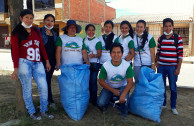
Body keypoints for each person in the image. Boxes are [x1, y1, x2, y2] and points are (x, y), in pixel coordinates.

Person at [11, 9, 54, 120]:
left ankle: (44, 110)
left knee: (44, 87)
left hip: (38, 62)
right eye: (27, 17)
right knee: (27, 88)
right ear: (21, 18)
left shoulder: (36, 30)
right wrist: (15, 68)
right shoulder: (16, 32)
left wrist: (47, 61)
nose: (29, 20)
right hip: (24, 63)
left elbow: (41, 47)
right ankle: (32, 111)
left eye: (31, 18)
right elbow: (15, 52)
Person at [97, 43, 134, 117]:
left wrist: (123, 94)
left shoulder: (127, 66)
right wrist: (113, 91)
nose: (116, 55)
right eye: (114, 52)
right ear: (110, 54)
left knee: (125, 100)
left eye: (118, 52)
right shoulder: (105, 65)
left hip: (122, 86)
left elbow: (130, 82)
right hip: (109, 87)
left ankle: (124, 115)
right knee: (100, 103)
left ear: (122, 54)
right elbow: (101, 81)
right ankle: (111, 101)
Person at [156, 18, 183, 115]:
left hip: (172, 67)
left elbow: (180, 55)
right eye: (166, 26)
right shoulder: (161, 38)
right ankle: (163, 104)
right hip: (161, 67)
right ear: (163, 27)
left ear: (173, 26)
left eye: (169, 26)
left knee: (173, 87)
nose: (167, 28)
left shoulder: (178, 38)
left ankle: (173, 106)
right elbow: (158, 52)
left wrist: (178, 68)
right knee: (161, 87)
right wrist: (156, 62)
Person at [40, 14, 57, 109]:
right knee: (44, 81)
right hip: (42, 62)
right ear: (44, 21)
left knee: (48, 81)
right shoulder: (39, 32)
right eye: (47, 20)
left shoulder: (54, 34)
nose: (49, 22)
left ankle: (47, 100)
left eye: (52, 21)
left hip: (52, 62)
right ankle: (49, 101)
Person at [83, 24, 102, 105]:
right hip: (85, 63)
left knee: (93, 81)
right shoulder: (84, 40)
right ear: (86, 31)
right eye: (89, 30)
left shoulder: (97, 41)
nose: (91, 32)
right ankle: (88, 98)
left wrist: (93, 55)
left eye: (92, 30)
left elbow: (99, 54)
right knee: (87, 81)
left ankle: (94, 99)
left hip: (94, 64)